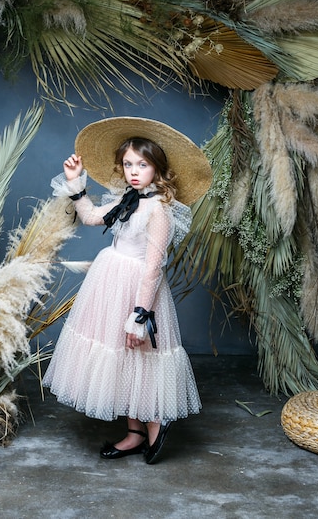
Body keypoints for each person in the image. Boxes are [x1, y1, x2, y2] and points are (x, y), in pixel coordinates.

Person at [43, 116, 212, 464]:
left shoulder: (159, 210)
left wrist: (140, 316)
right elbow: (90, 217)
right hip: (109, 283)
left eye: (143, 164)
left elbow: (152, 266)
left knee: (141, 354)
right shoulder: (127, 200)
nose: (134, 171)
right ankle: (134, 432)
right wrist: (76, 185)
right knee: (119, 356)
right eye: (128, 164)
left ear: (158, 169)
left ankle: (154, 418)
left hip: (138, 290)